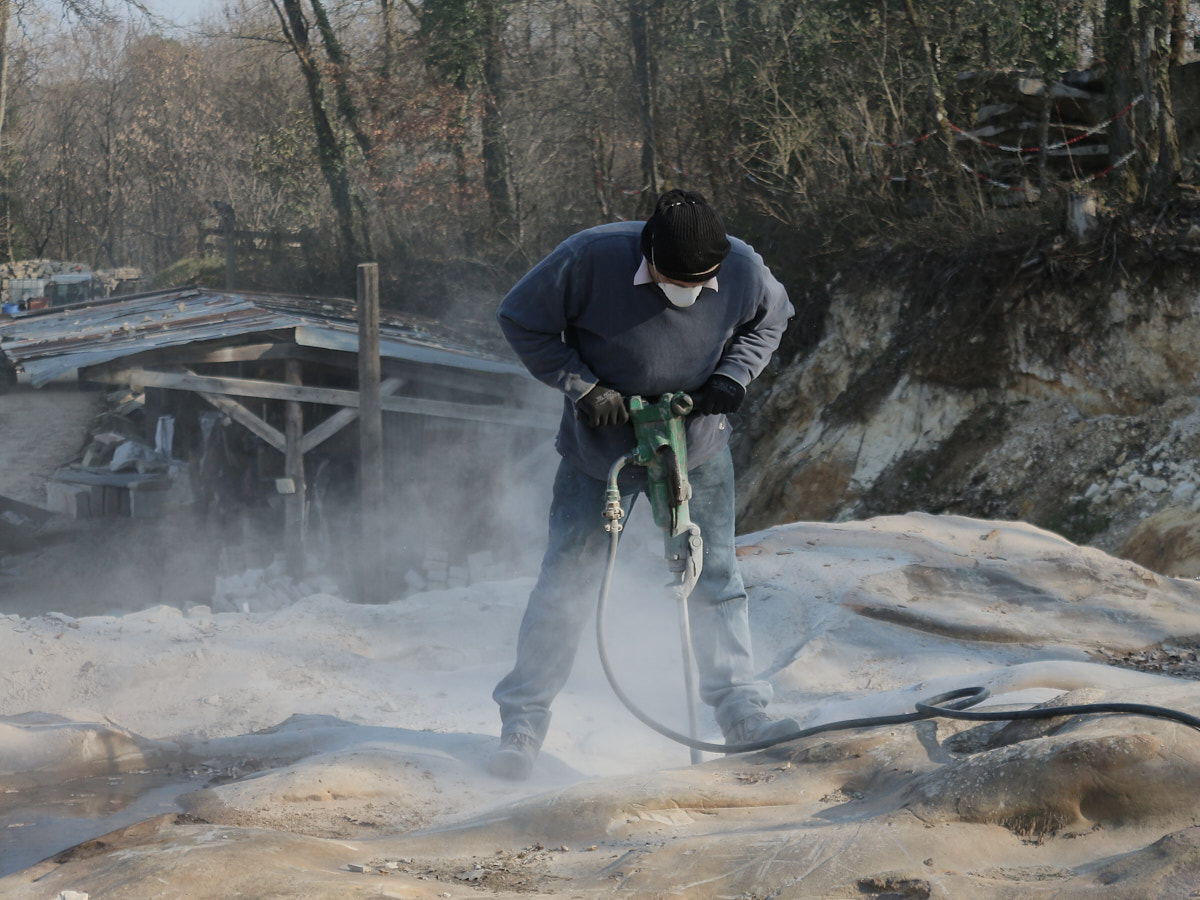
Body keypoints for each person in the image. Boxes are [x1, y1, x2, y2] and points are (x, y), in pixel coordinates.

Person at [489, 189, 797, 780]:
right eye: (672, 283)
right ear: (647, 254)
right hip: (598, 451)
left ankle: (742, 713)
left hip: (697, 447)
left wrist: (733, 377)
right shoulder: (589, 258)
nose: (685, 294)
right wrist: (582, 387)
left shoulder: (743, 267)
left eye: (699, 285)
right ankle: (522, 724)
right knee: (566, 583)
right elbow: (519, 320)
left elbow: (772, 322)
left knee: (717, 578)